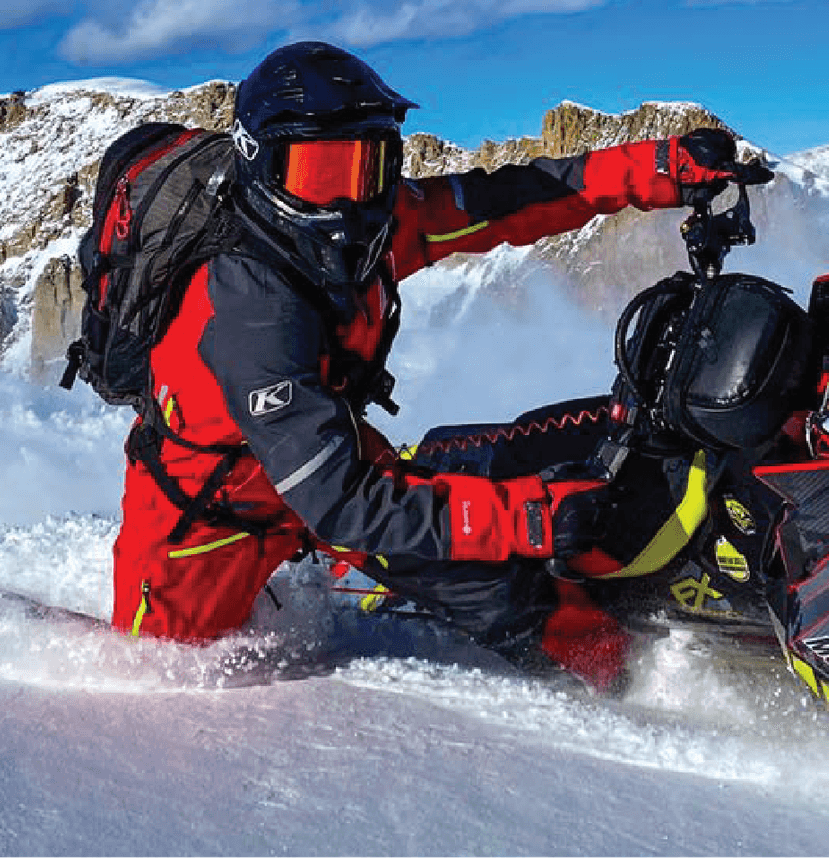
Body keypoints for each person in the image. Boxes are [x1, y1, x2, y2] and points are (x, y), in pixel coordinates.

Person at [110, 40, 771, 690]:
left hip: (323, 451)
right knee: (165, 684)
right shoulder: (249, 310)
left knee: (505, 588)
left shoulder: (369, 229)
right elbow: (342, 502)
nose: (346, 199)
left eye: (365, 168)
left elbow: (510, 199)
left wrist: (657, 169)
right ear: (263, 167)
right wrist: (527, 516)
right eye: (319, 173)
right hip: (205, 516)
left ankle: (634, 686)